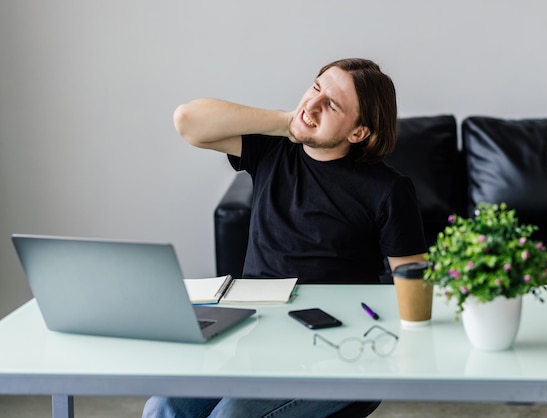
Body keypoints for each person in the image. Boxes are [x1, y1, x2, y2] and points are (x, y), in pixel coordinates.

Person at [143, 58, 427, 418]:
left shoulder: (388, 190)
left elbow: (414, 286)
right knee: (162, 406)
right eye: (316, 87)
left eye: (332, 105)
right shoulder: (272, 151)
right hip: (259, 340)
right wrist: (285, 122)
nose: (313, 104)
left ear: (358, 133)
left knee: (231, 415)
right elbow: (187, 121)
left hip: (336, 352)